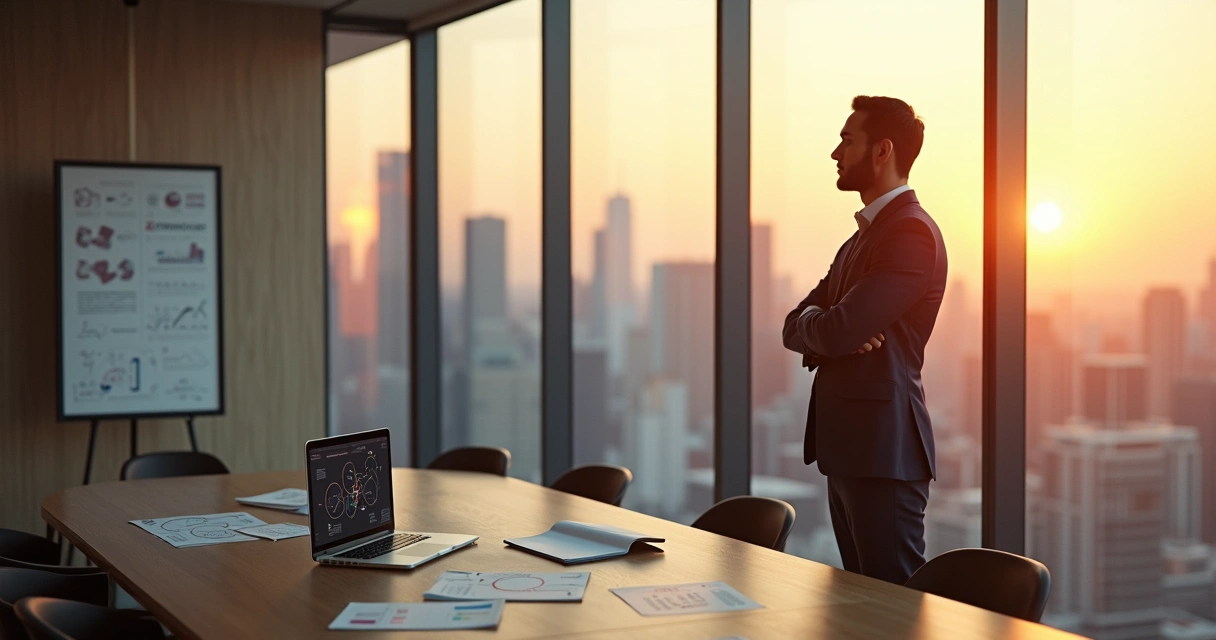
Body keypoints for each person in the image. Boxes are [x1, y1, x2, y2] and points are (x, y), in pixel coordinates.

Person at [782, 95, 947, 585]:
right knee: (859, 604)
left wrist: (831, 328)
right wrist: (828, 329)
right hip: (853, 450)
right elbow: (794, 323)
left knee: (891, 611)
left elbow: (836, 329)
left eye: (846, 141)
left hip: (884, 454)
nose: (836, 153)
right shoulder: (859, 240)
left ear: (883, 151)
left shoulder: (910, 233)